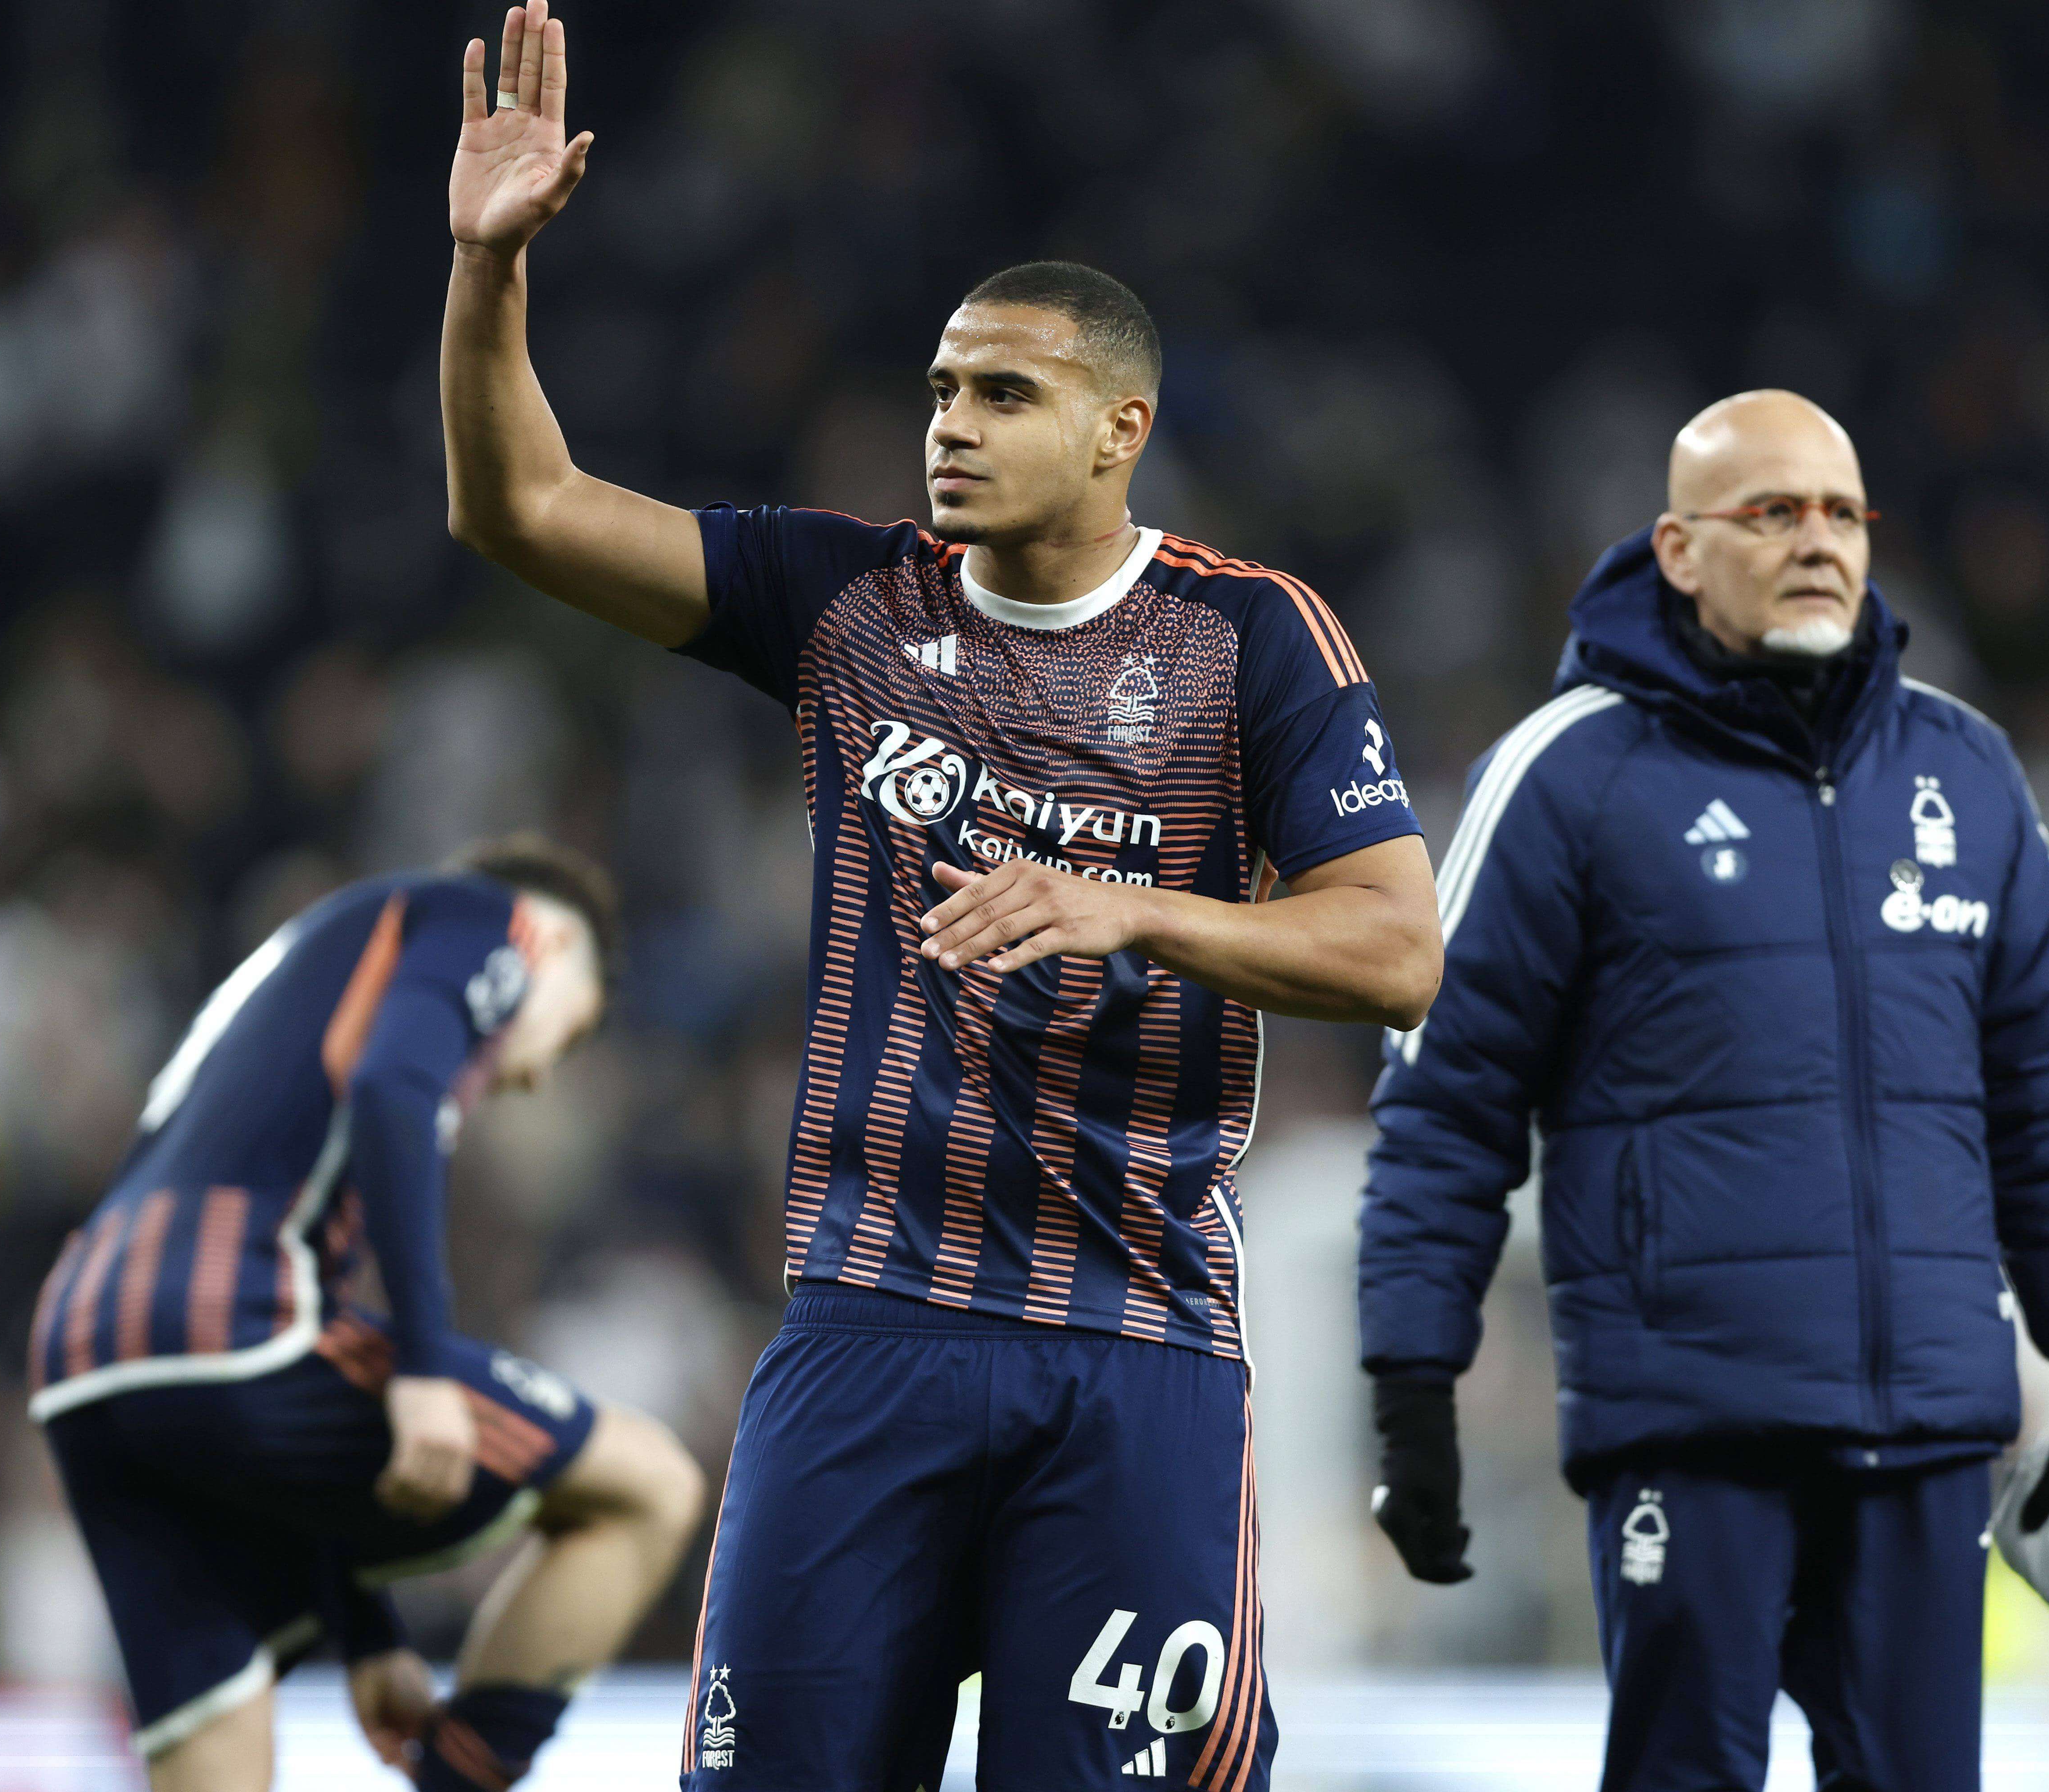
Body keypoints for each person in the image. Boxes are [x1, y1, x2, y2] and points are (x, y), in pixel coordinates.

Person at [439, 10, 1441, 1787]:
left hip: (1133, 1353)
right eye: (938, 391)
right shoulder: (847, 603)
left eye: (1002, 394)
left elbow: (1395, 946)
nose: (949, 428)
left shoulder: (1248, 639)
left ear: (1124, 428)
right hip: (864, 1336)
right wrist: (489, 269)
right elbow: (522, 506)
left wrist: (1133, 911)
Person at [1355, 391, 2049, 1791]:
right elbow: (1446, 1101)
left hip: (1922, 1436)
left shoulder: (1965, 776)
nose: (1817, 543)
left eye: (1842, 514)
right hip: (1688, 1420)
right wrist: (1413, 1387)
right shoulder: (1564, 776)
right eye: (1771, 513)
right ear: (1675, 548)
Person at [27, 835, 703, 1792]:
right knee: (651, 1485)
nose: (537, 1074)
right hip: (221, 1311)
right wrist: (425, 1365)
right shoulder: (487, 922)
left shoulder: (309, 955)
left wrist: (364, 1622)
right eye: (576, 1031)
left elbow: (295, 1419)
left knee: (217, 1757)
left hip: (83, 1351)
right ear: (554, 950)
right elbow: (397, 1085)